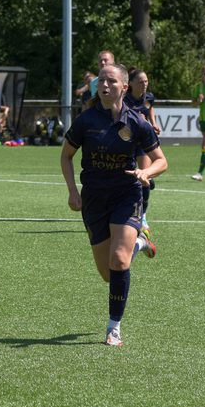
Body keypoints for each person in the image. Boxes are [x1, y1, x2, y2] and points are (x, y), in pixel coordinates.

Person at [60, 63, 167, 347]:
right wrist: (73, 192)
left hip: (126, 195)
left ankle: (113, 328)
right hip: (94, 199)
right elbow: (66, 156)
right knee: (108, 275)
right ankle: (139, 245)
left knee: (119, 261)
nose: (104, 86)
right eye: (101, 82)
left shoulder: (137, 122)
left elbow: (161, 160)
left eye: (110, 81)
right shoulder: (86, 120)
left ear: (124, 86)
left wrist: (146, 173)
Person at [124, 67, 161, 235]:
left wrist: (153, 123)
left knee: (144, 177)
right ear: (131, 84)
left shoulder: (148, 97)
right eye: (141, 82)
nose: (144, 84)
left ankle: (143, 215)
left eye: (146, 81)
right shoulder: (124, 99)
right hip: (127, 143)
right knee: (128, 177)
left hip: (143, 144)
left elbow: (149, 108)